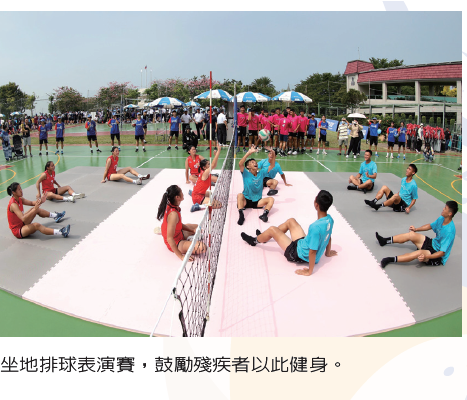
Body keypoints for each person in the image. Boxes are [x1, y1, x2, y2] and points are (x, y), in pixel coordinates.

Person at [240, 190, 337, 276]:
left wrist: (309, 271)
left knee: (272, 229)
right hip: (303, 244)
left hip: (298, 253)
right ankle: (265, 237)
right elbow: (328, 235)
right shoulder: (329, 220)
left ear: (316, 204)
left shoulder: (315, 227)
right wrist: (327, 253)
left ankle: (254, 241)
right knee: (291, 221)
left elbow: (312, 252)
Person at [376, 201, 457, 268]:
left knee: (418, 253)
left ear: (450, 213)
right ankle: (384, 241)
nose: (443, 209)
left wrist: (426, 257)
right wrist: (416, 229)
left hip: (437, 255)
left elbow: (442, 253)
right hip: (433, 243)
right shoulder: (442, 218)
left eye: (445, 208)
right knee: (411, 234)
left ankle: (389, 259)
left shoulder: (449, 231)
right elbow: (430, 226)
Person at [157, 185, 206, 261]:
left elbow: (178, 224)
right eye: (181, 192)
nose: (183, 193)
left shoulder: (172, 205)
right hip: (175, 242)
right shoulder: (173, 214)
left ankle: (190, 238)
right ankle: (189, 240)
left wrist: (192, 230)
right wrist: (181, 256)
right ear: (177, 197)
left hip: (178, 233)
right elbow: (170, 239)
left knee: (197, 226)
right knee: (202, 247)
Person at [237, 145, 276, 225]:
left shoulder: (261, 173)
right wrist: (248, 153)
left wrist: (273, 152)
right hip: (246, 200)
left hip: (257, 201)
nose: (255, 163)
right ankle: (241, 215)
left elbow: (272, 165)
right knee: (239, 195)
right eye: (252, 162)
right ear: (248, 167)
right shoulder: (245, 174)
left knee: (271, 199)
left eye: (255, 162)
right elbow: (240, 164)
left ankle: (264, 215)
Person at [190, 147, 222, 212]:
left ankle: (192, 193)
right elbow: (213, 165)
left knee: (213, 195)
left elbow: (214, 165)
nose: (210, 165)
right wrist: (219, 150)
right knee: (218, 204)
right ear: (204, 167)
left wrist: (216, 155)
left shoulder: (204, 171)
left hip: (199, 193)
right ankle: (198, 206)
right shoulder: (205, 173)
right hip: (197, 197)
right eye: (208, 164)